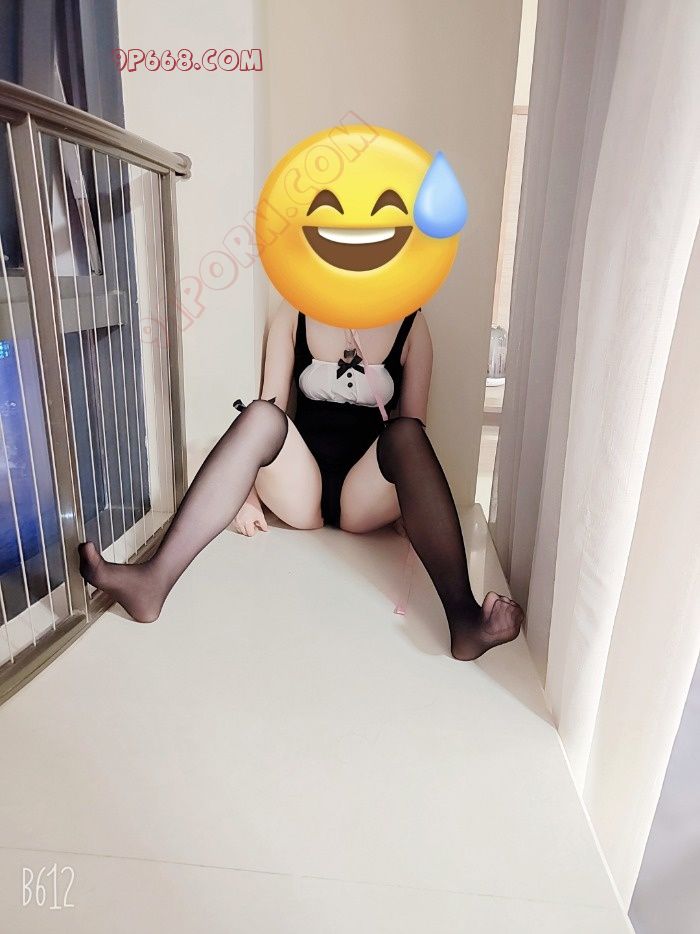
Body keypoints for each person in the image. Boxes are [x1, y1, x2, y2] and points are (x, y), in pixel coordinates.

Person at [78, 303, 524, 660]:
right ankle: (153, 580)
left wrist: (411, 513)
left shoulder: (412, 324)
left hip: (364, 493)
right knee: (260, 414)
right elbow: (271, 411)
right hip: (303, 486)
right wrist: (247, 496)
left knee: (406, 432)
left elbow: (413, 431)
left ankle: (464, 619)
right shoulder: (293, 313)